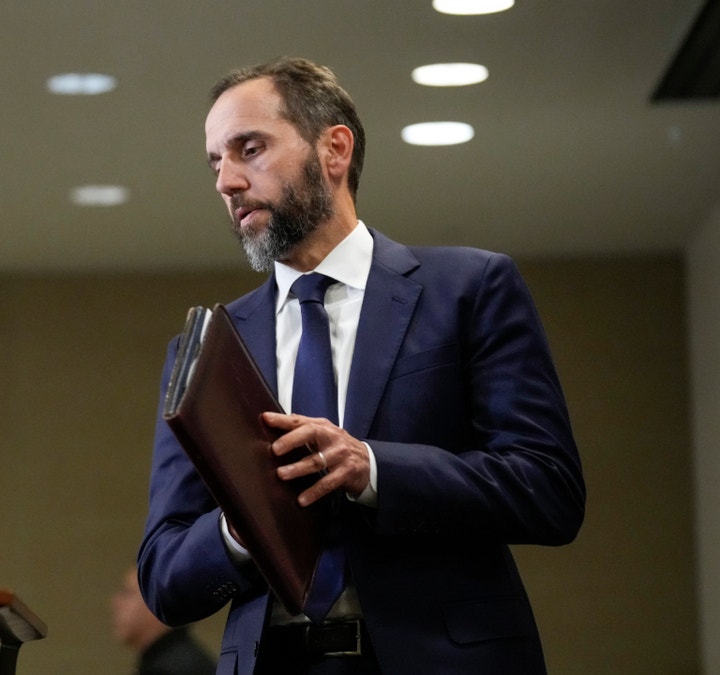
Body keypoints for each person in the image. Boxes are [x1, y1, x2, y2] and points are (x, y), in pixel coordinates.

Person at [137, 57, 585, 675]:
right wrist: (245, 527)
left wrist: (371, 467)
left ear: (334, 149)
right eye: (216, 163)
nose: (227, 182)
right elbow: (163, 577)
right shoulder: (213, 349)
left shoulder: (469, 288)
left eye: (249, 149)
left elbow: (549, 489)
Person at [112, 566, 217, 675]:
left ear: (158, 601)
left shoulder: (168, 669)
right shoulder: (181, 659)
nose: (116, 603)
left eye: (127, 593)